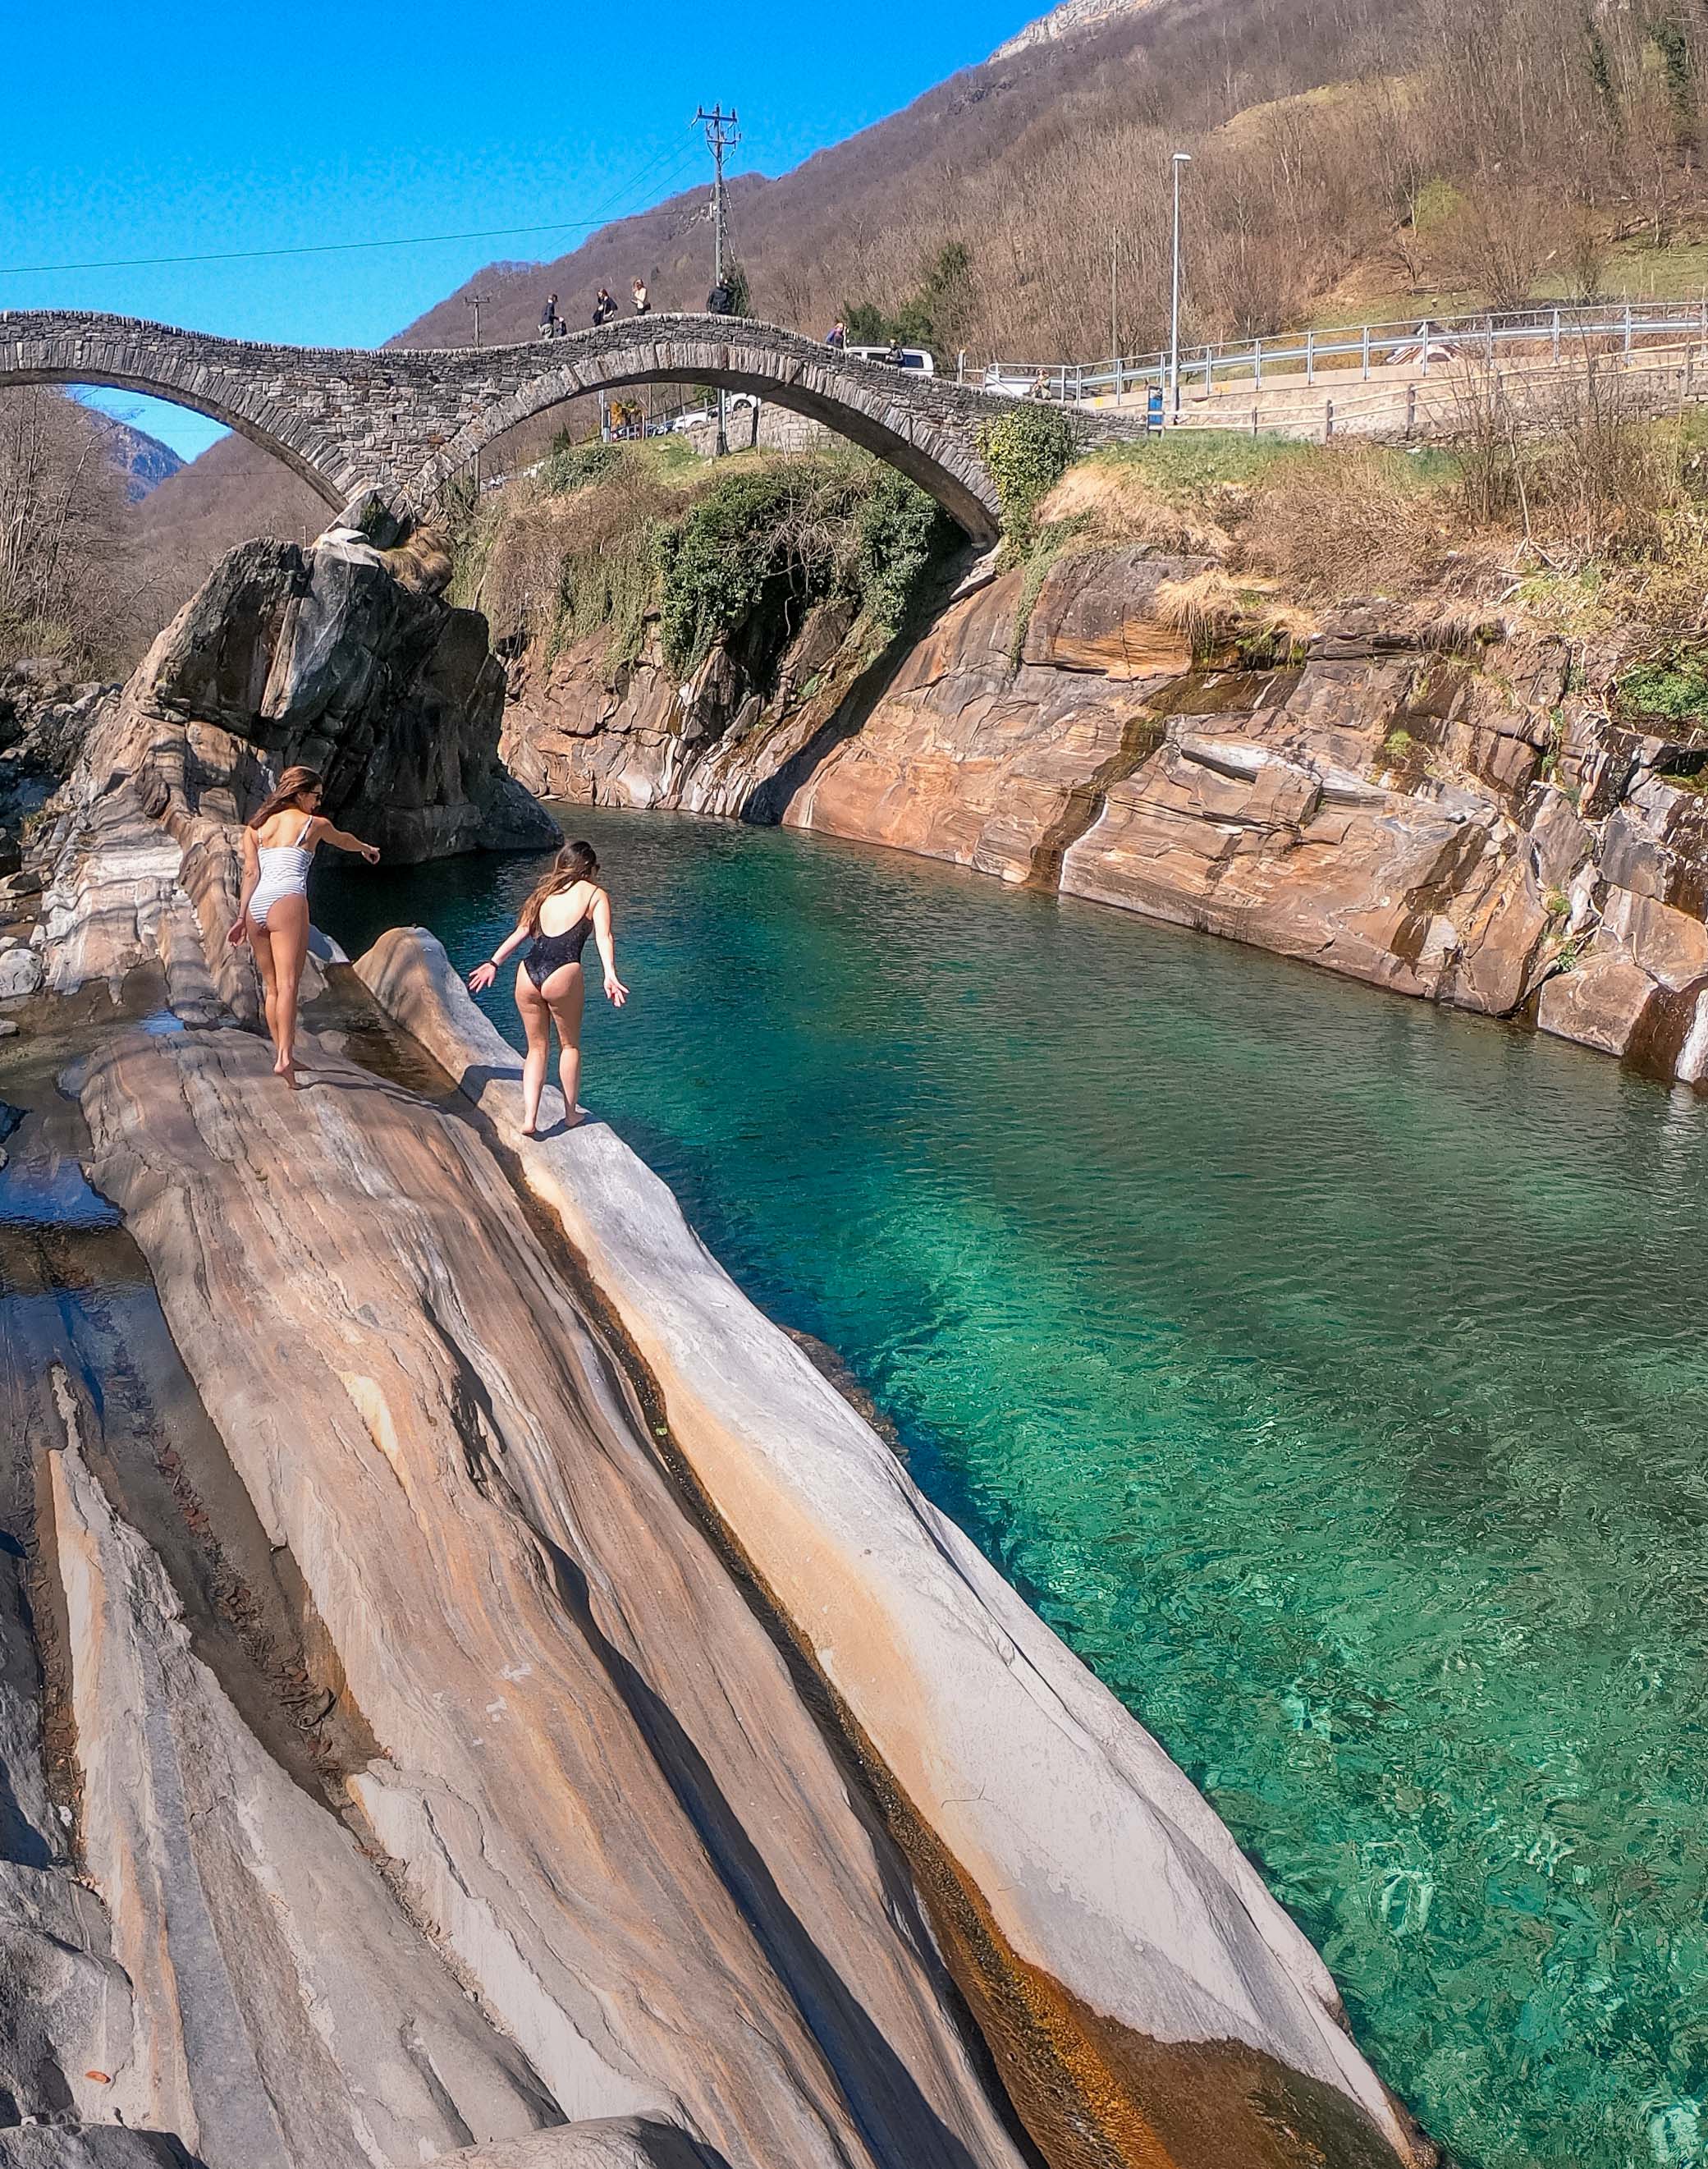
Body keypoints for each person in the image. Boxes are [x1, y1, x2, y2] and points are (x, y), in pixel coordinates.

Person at [227, 767, 380, 1090]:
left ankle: (283, 1053)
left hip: (257, 907)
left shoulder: (255, 828)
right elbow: (344, 840)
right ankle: (284, 1058)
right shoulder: (313, 825)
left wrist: (241, 918)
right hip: (288, 902)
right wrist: (367, 848)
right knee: (289, 985)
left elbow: (251, 875)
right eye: (316, 795)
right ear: (300, 794)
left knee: (271, 988)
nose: (318, 802)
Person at [468, 841, 628, 1136]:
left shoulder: (544, 893)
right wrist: (609, 974)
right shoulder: (596, 895)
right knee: (569, 1046)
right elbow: (604, 937)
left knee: (536, 1049)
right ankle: (570, 1114)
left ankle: (529, 1120)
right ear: (589, 868)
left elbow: (521, 933)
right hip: (563, 972)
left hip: (527, 972)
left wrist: (493, 962)